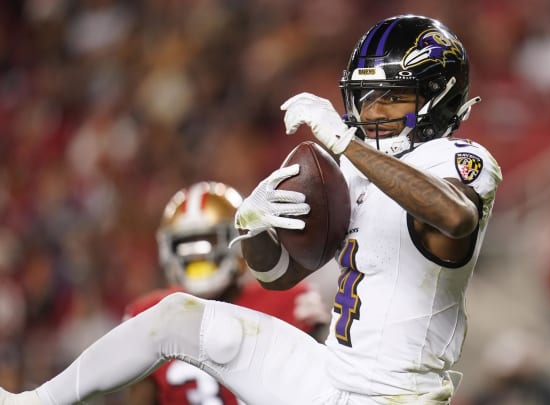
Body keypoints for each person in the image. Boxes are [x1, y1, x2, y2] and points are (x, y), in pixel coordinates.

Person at [0, 14, 502, 405]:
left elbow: (453, 216)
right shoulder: (356, 168)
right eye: (365, 98)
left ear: (438, 95)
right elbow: (276, 276)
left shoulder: (460, 159)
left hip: (395, 395)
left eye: (391, 98)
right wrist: (256, 225)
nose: (371, 113)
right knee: (175, 316)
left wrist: (345, 145)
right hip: (330, 374)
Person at [122, 181, 329, 404]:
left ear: (237, 239)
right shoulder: (150, 315)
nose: (196, 255)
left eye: (211, 239)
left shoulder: (289, 301)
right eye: (185, 243)